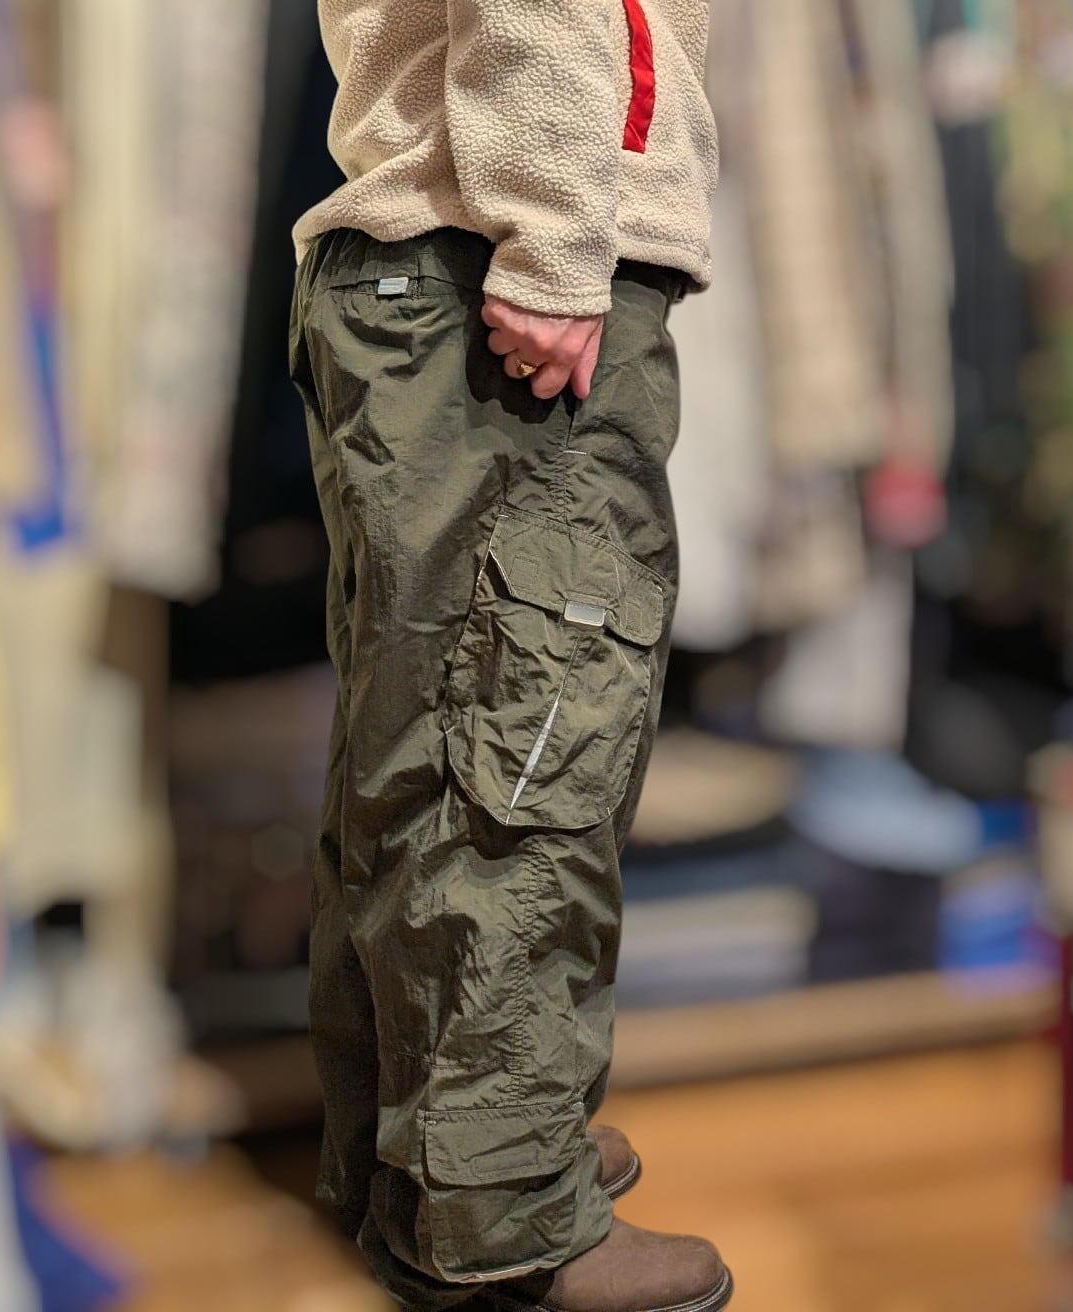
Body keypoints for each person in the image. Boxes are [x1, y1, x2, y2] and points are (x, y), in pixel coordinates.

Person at [285, 1, 726, 1308]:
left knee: (432, 749)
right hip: (493, 258)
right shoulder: (528, 235)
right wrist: (553, 230)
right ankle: (508, 1212)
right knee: (531, 753)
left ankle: (429, 1172)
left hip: (433, 263)